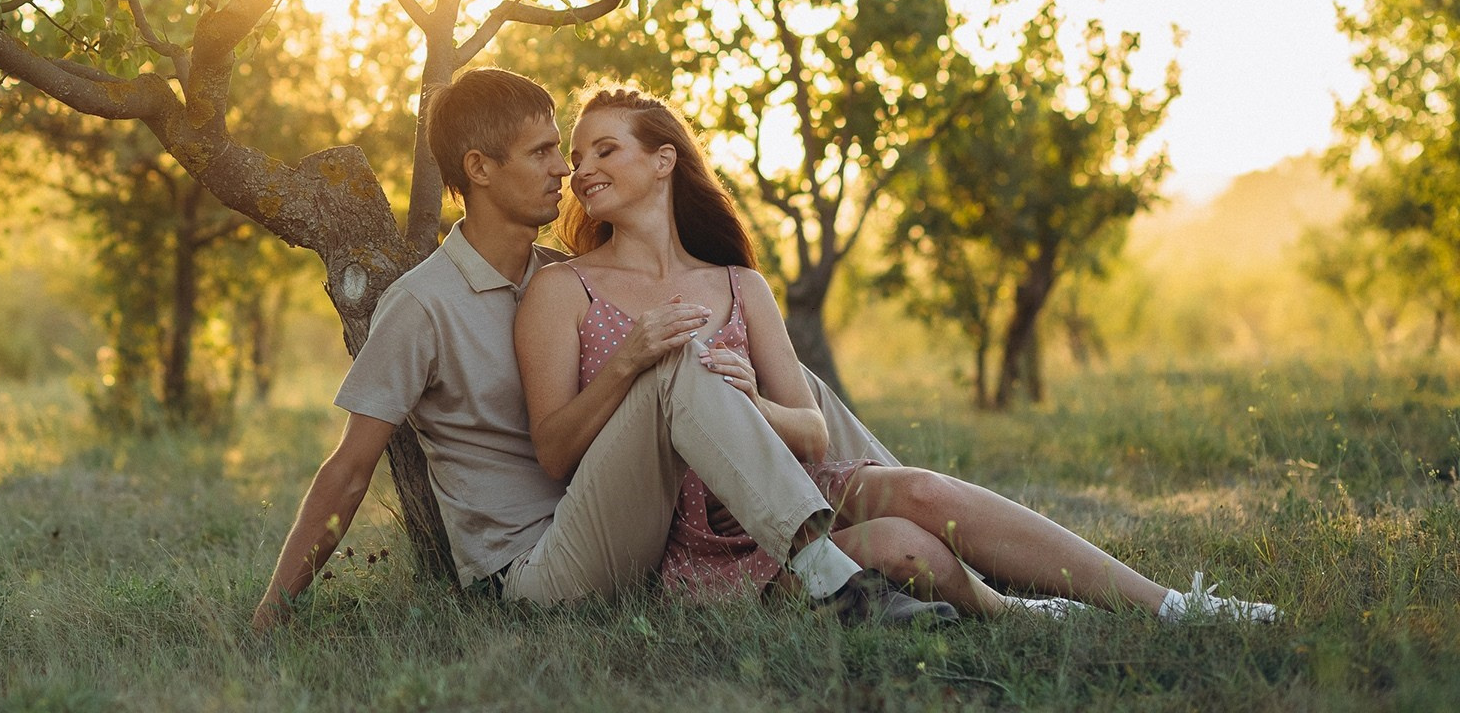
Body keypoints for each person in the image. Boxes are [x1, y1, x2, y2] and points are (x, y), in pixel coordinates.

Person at [514, 85, 1278, 622]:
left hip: (789, 495)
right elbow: (553, 450)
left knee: (920, 509)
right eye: (577, 158)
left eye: (603, 149)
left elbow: (811, 435)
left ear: (663, 160)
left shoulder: (740, 284)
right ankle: (1011, 614)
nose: (581, 172)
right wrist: (631, 360)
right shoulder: (564, 288)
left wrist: (748, 407)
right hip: (683, 536)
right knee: (903, 550)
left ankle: (1173, 605)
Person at [252, 68, 954, 631]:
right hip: (536, 568)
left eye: (567, 150)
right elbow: (347, 471)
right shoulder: (421, 305)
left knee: (727, 364)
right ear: (481, 168)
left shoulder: (557, 277)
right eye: (543, 152)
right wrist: (271, 613)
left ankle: (894, 534)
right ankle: (829, 577)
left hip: (633, 533)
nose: (565, 170)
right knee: (673, 362)